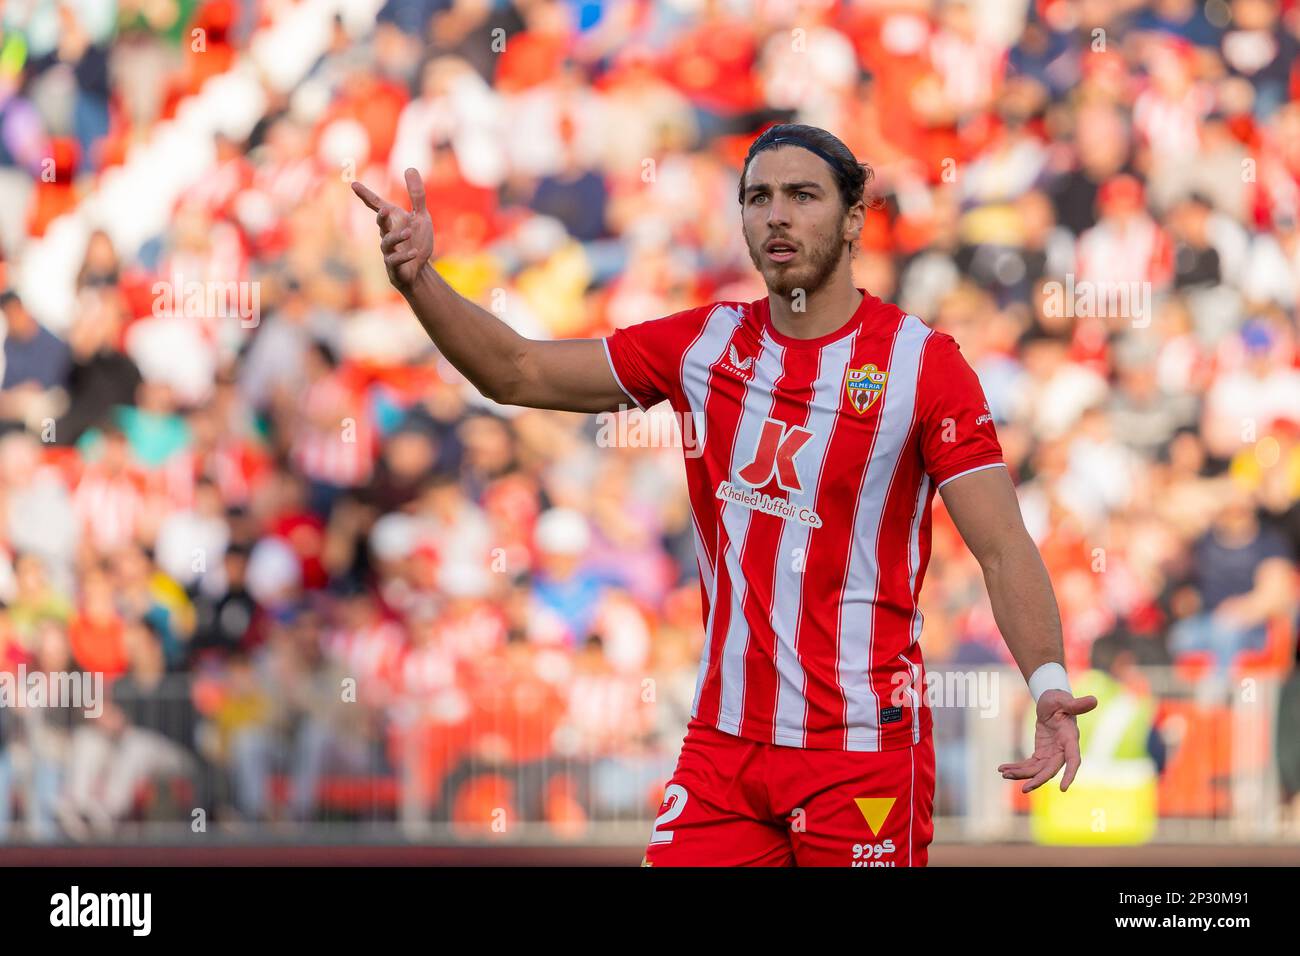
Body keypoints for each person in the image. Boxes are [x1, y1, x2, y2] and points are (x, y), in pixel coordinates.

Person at [352, 123, 1097, 867]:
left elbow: (1001, 547)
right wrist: (421, 279)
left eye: (803, 195)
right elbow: (516, 371)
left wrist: (1050, 684)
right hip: (725, 749)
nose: (776, 214)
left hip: (861, 749)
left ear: (853, 218)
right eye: (757, 197)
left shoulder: (921, 366)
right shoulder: (704, 346)